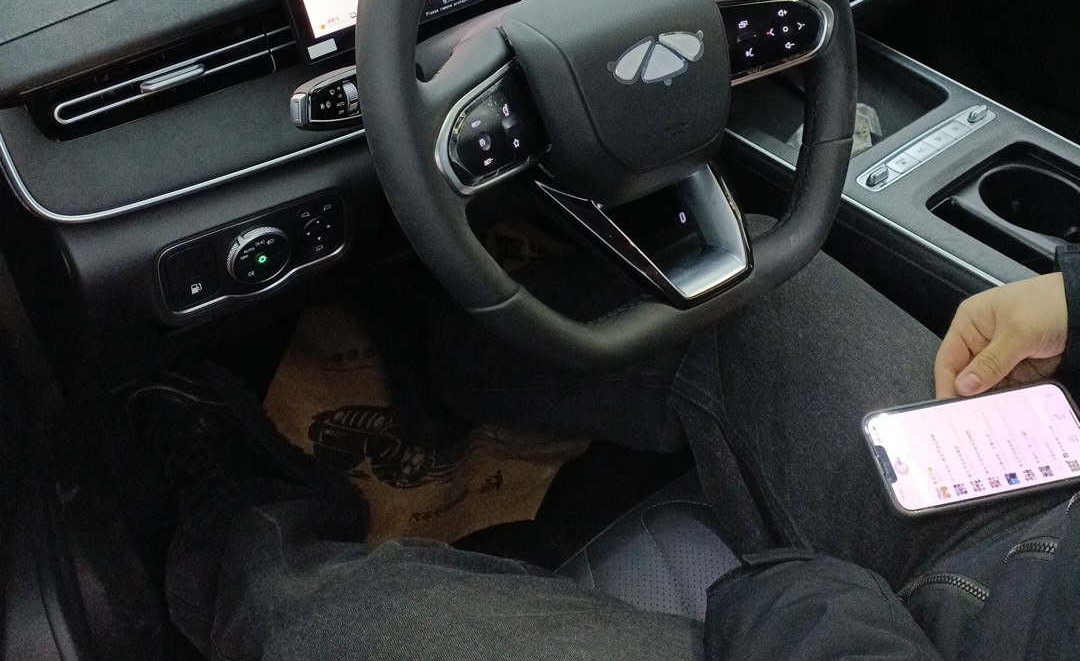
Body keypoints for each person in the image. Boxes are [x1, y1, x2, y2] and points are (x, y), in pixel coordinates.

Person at [130, 239, 1080, 661]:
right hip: (1040, 526)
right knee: (732, 285)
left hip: (853, 633)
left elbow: (807, 609)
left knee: (354, 623)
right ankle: (433, 348)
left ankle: (240, 523)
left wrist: (808, 600)